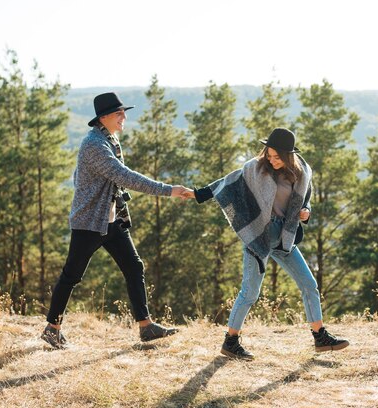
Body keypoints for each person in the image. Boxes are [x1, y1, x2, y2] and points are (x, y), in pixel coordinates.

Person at [41, 92, 193, 349]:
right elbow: (124, 176)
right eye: (118, 113)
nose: (124, 117)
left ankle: (146, 327)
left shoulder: (109, 139)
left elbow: (84, 177)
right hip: (89, 223)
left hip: (111, 221)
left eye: (124, 112)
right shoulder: (94, 145)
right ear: (103, 117)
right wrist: (169, 190)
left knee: (134, 267)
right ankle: (52, 329)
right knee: (72, 276)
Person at [189, 127, 349, 360]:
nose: (271, 160)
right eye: (269, 155)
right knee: (250, 292)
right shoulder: (256, 168)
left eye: (276, 156)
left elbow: (305, 202)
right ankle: (230, 341)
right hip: (259, 235)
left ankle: (320, 337)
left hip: (285, 237)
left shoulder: (302, 173)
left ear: (288, 156)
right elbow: (228, 182)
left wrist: (306, 212)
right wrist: (198, 194)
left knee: (309, 284)